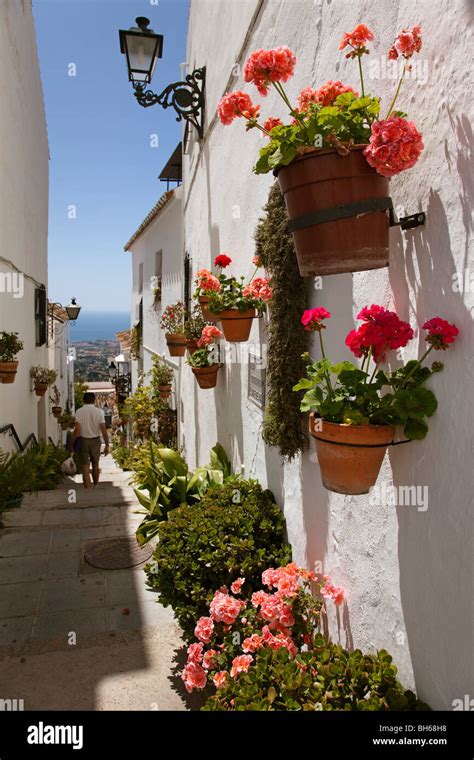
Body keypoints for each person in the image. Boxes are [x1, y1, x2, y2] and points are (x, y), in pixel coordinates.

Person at [70, 392, 109, 488]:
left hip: (83, 440)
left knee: (85, 466)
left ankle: (87, 489)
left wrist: (72, 442)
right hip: (95, 440)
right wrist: (107, 445)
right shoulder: (99, 412)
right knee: (95, 464)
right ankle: (95, 485)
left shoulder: (79, 411)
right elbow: (103, 429)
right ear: (94, 400)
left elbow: (77, 430)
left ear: (84, 400)